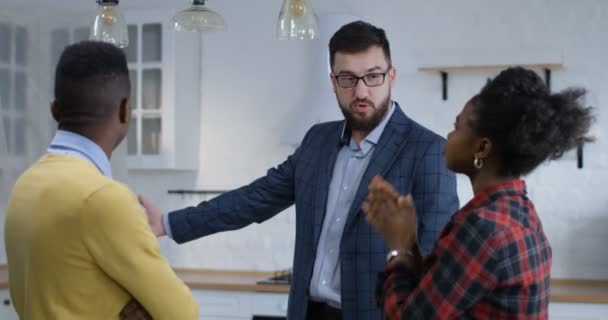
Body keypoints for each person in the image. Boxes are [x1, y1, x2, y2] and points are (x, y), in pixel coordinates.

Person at [140, 20, 459, 320]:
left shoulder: (427, 151)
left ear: (391, 77)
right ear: (333, 82)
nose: (361, 92)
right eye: (347, 78)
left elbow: (437, 266)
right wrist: (168, 223)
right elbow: (254, 198)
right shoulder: (318, 140)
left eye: (373, 76)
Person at [363, 67, 594, 319]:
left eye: (457, 126)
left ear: (482, 148)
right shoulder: (521, 214)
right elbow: (436, 297)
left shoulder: (483, 229)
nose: (449, 135)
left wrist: (398, 248)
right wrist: (410, 244)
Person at [4, 41, 198, 320]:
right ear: (125, 110)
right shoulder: (104, 197)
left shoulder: (25, 185)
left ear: (54, 109)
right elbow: (183, 314)